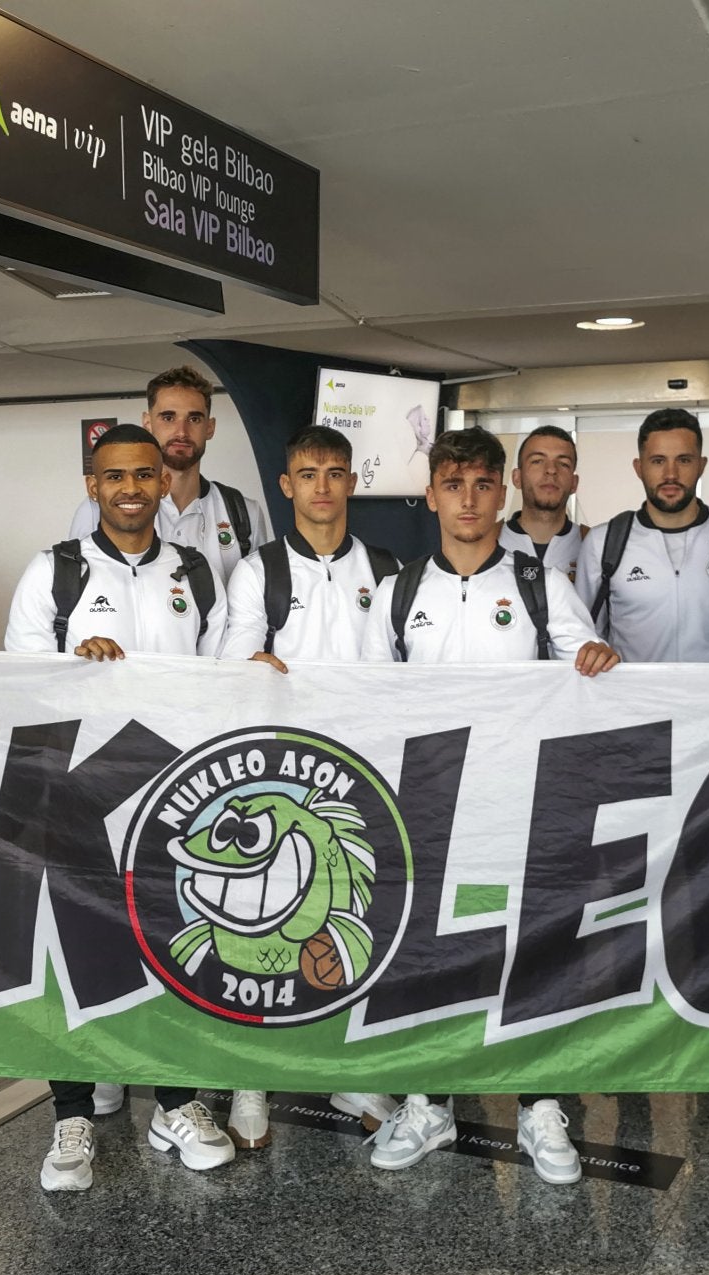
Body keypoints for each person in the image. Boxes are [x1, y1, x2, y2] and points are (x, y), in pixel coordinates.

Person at [360, 426, 619, 1184]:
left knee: (534, 954)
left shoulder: (541, 585)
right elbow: (367, 698)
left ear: (500, 492)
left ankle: (539, 1107)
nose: (468, 500)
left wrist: (599, 660)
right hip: (431, 813)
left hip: (524, 807)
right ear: (432, 493)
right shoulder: (402, 591)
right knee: (432, 958)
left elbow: (591, 670)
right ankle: (429, 1100)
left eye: (482, 485)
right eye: (454, 485)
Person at [9, 423, 232, 1183]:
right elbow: (17, 682)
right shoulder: (54, 573)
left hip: (175, 796)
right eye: (115, 476)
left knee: (178, 948)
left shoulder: (198, 572)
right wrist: (74, 665)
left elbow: (221, 680)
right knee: (75, 955)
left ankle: (176, 1104)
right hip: (79, 795)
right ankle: (72, 1118)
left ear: (164, 482)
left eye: (145, 474)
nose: (132, 488)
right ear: (91, 485)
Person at [218, 424, 403, 1144]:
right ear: (287, 485)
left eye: (335, 472)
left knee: (349, 925)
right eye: (307, 473)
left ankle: (350, 1066)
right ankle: (251, 1080)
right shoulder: (257, 571)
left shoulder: (387, 569)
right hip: (278, 777)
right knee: (257, 923)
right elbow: (236, 667)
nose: (322, 485)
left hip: (361, 777)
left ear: (352, 482)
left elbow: (404, 675)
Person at [575, 407, 709, 662]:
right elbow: (584, 636)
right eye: (658, 461)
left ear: (701, 466)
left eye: (684, 460)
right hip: (633, 700)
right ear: (639, 468)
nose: (671, 474)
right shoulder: (603, 542)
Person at [68, 365, 272, 585]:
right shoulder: (99, 508)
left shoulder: (244, 513)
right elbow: (78, 591)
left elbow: (256, 600)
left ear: (210, 428)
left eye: (194, 419)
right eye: (168, 417)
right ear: (148, 423)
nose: (181, 432)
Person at [498, 424, 585, 579]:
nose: (551, 470)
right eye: (537, 461)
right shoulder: (488, 542)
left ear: (574, 483)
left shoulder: (594, 545)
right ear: (517, 478)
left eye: (563, 463)